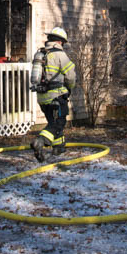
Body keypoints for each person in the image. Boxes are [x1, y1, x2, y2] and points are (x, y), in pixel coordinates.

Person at [29, 26, 75, 162]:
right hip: (56, 95)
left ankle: (59, 147)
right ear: (60, 42)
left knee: (52, 122)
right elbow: (71, 77)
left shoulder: (41, 54)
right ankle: (40, 141)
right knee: (59, 122)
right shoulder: (61, 55)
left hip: (42, 97)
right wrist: (70, 88)